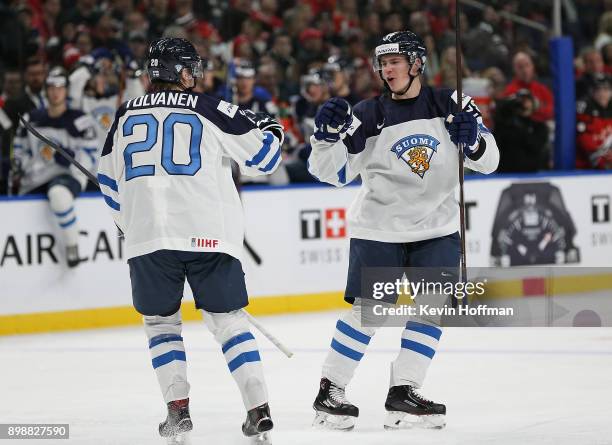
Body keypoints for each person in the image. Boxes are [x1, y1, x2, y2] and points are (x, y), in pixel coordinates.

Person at [307, 31, 499, 431]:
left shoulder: (451, 104)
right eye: (383, 62)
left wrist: (475, 142)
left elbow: (490, 161)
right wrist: (323, 139)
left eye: (395, 61)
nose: (387, 69)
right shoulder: (368, 113)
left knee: (432, 310)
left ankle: (405, 392)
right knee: (371, 312)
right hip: (379, 229)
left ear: (417, 64)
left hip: (438, 229)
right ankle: (331, 389)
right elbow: (333, 173)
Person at [97, 37, 284, 444]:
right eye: (190, 68)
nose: (195, 74)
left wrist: (128, 223)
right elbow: (266, 160)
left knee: (161, 325)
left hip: (148, 239)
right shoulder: (210, 108)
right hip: (209, 235)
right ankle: (259, 411)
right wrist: (271, 130)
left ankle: (177, 412)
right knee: (230, 323)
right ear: (177, 72)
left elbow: (108, 182)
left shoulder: (124, 114)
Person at [11, 66, 98, 267]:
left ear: (66, 90)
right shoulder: (31, 119)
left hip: (67, 176)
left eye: (60, 87)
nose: (55, 92)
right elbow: (18, 149)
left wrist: (72, 158)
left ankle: (72, 246)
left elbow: (92, 155)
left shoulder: (80, 120)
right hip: (36, 179)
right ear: (46, 90)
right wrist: (20, 165)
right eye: (51, 87)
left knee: (59, 194)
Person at [576, 73, 612, 169]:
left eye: (606, 89)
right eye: (598, 90)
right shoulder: (585, 107)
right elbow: (584, 140)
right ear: (592, 92)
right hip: (587, 165)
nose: (602, 94)